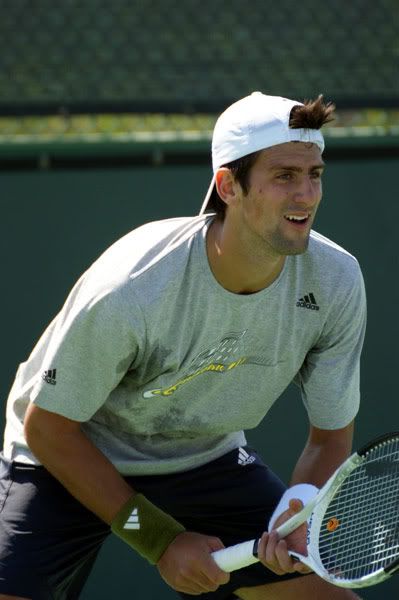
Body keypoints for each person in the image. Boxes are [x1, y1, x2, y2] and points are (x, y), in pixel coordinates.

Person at [0, 92, 366, 600]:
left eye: (315, 175)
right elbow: (49, 426)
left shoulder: (337, 281)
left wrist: (299, 508)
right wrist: (160, 540)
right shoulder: (134, 286)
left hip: (203, 457)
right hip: (72, 452)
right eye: (284, 176)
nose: (306, 194)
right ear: (228, 185)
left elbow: (330, 438)